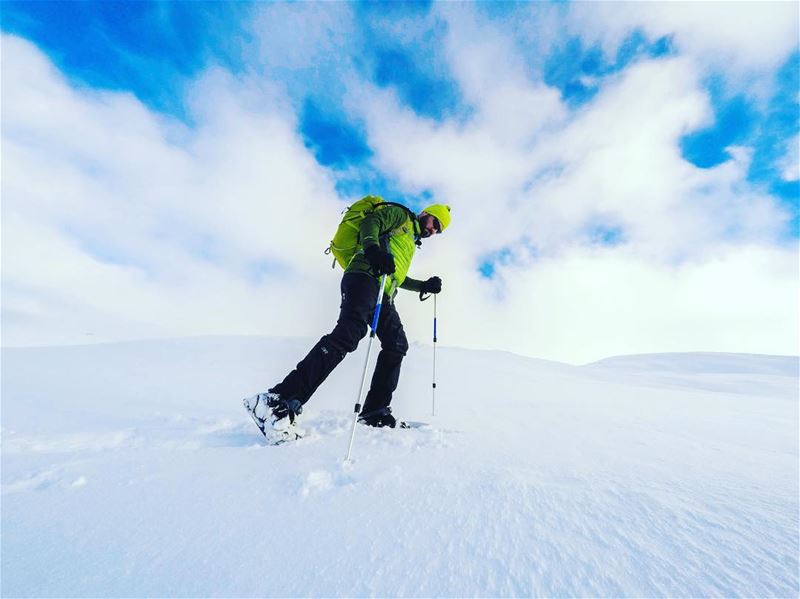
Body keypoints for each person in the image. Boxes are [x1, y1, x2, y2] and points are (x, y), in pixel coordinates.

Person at [244, 202, 451, 442]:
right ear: (426, 214)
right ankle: (277, 400)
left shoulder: (410, 240)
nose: (434, 231)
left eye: (439, 230)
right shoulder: (400, 215)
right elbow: (370, 223)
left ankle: (376, 411)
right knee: (349, 333)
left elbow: (394, 273)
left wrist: (422, 286)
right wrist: (373, 250)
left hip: (383, 292)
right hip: (363, 277)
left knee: (396, 344)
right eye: (435, 223)